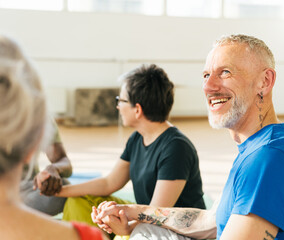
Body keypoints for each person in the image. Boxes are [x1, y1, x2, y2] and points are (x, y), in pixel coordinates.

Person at [92, 34, 284, 240]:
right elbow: (209, 222)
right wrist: (135, 213)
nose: (209, 86)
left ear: (264, 82)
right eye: (206, 75)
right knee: (146, 231)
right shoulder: (260, 147)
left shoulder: (269, 160)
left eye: (225, 72)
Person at [54, 64, 206, 234]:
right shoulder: (137, 138)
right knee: (79, 201)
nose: (118, 106)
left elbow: (157, 214)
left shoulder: (177, 148)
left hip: (172, 230)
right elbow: (109, 183)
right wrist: (60, 191)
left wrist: (125, 228)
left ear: (138, 109)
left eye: (122, 100)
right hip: (146, 217)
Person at [0, 34, 107, 239]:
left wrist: (53, 169)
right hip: (20, 202)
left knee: (65, 188)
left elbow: (62, 161)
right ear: (35, 141)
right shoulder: (87, 237)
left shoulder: (29, 113)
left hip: (28, 190)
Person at [20, 119, 73, 216]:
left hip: (25, 190)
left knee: (63, 186)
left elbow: (63, 161)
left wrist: (53, 169)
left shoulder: (40, 116)